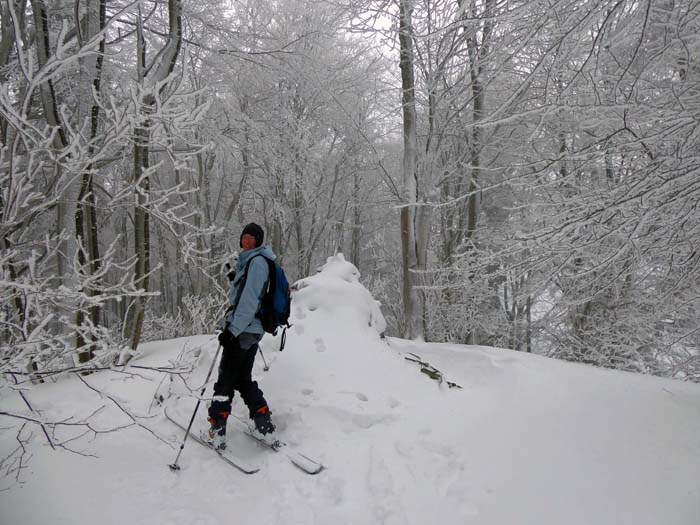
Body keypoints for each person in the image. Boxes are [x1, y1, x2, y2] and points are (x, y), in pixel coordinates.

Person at [207, 223, 276, 447]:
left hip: (244, 329)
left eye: (251, 238)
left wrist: (232, 331)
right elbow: (246, 295)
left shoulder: (257, 263)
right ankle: (263, 423)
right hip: (252, 329)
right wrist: (235, 278)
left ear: (258, 240)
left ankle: (217, 428)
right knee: (242, 378)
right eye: (243, 237)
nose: (246, 241)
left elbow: (249, 301)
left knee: (226, 379)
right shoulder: (253, 262)